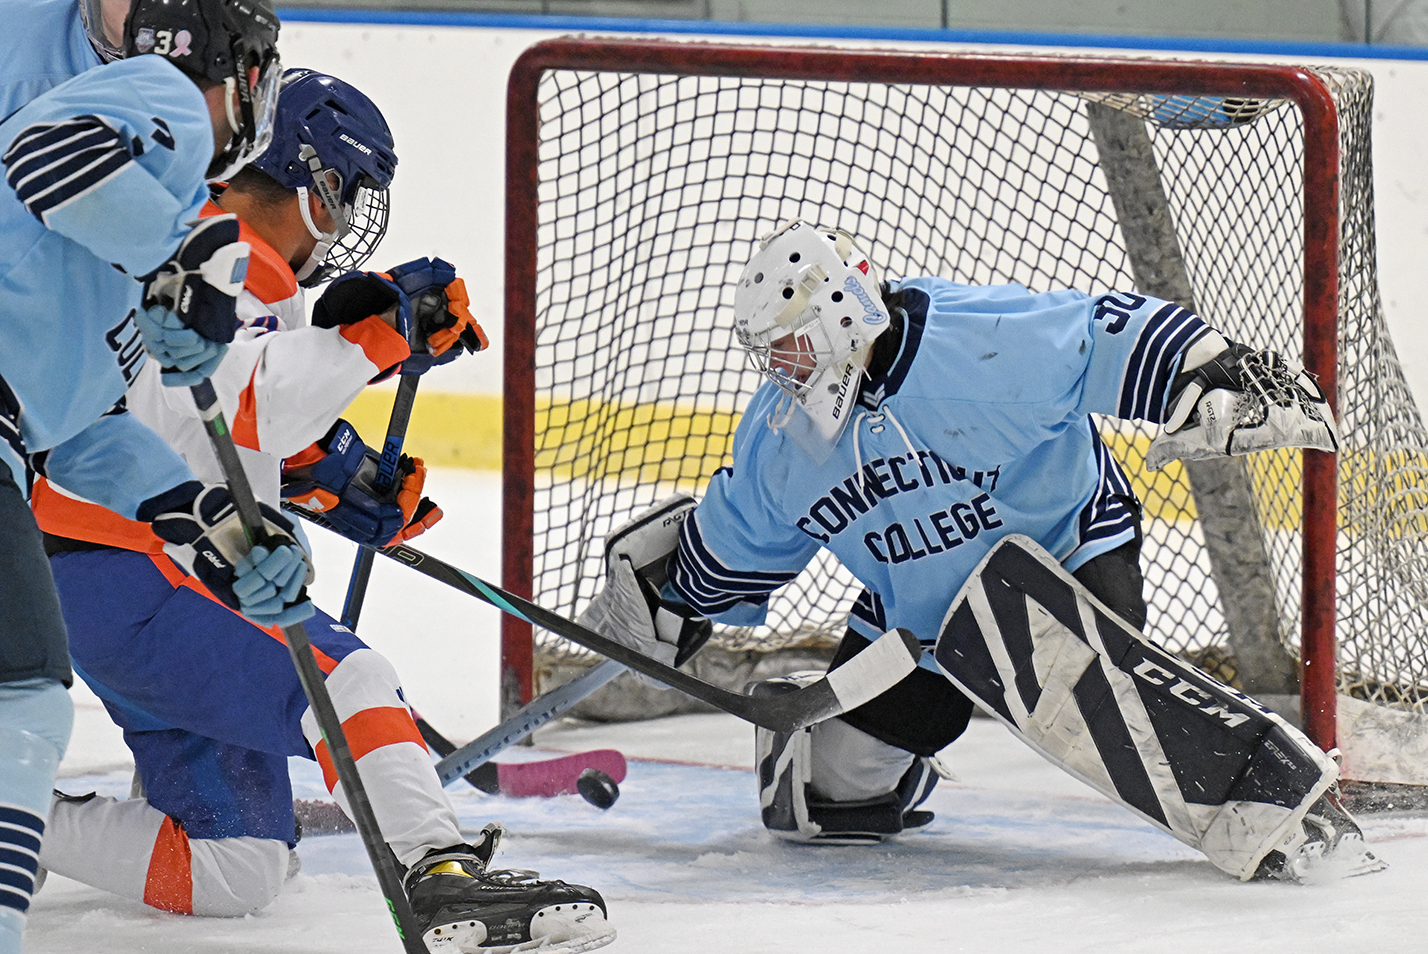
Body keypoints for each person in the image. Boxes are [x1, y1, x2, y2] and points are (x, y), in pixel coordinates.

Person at [578, 219, 1380, 883]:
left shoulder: (976, 344)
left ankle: (1268, 797)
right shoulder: (782, 442)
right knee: (828, 803)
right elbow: (736, 547)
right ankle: (887, 746)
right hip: (921, 618)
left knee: (1083, 673)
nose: (781, 372)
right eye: (770, 357)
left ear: (838, 314)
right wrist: (672, 594)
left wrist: (1214, 369)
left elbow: (1110, 333)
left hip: (1066, 556)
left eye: (790, 348)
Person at [29, 68, 615, 954]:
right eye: (355, 193)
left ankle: (13, 818)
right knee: (350, 678)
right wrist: (380, 336)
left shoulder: (212, 249)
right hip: (135, 564)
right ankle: (442, 875)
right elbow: (231, 408)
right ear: (320, 183)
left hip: (114, 575)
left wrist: (329, 478)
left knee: (236, 869)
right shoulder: (221, 248)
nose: (351, 222)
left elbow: (198, 416)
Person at [0, 0, 317, 949]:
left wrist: (206, 518)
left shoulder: (109, 265)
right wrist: (182, 254)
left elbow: (86, 435)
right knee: (20, 696)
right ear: (251, 78)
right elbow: (45, 154)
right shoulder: (167, 109)